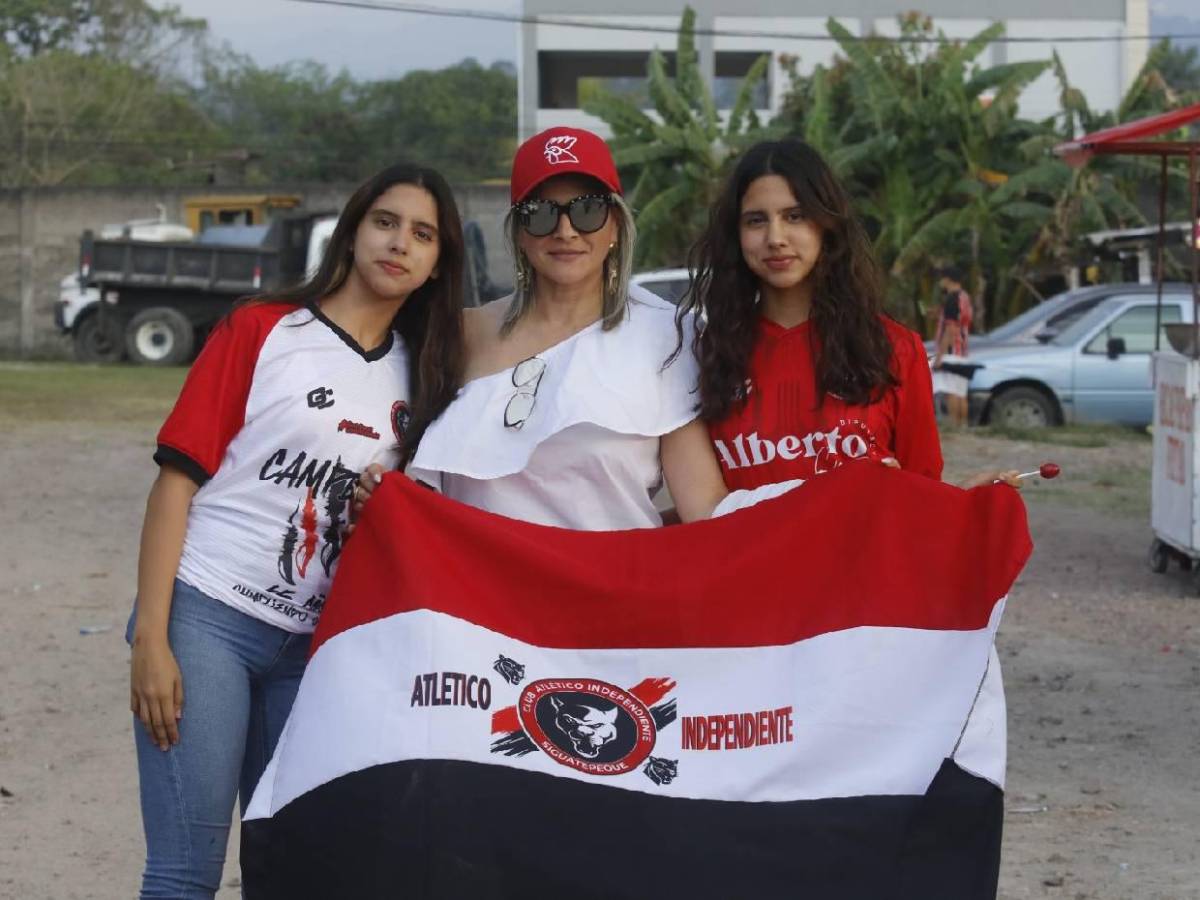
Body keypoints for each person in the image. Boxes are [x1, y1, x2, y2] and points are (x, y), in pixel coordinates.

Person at [126, 161, 465, 899]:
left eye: (422, 234)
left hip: (313, 652)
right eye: (385, 222)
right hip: (207, 617)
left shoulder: (425, 379)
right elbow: (175, 484)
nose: (399, 243)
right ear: (352, 232)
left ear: (439, 264)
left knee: (294, 870)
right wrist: (151, 637)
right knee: (186, 871)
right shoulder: (263, 328)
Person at [361, 126, 728, 531]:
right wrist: (381, 497)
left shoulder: (667, 337)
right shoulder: (463, 333)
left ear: (615, 226)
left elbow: (704, 508)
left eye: (587, 210)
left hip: (608, 585)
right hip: (471, 587)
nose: (566, 231)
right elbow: (421, 485)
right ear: (519, 233)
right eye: (541, 214)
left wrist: (801, 513)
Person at [933, 266, 975, 427]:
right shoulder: (965, 297)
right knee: (961, 392)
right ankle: (962, 425)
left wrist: (940, 356)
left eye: (942, 278)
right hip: (963, 350)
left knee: (951, 391)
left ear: (948, 279)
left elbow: (950, 330)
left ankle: (953, 424)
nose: (940, 282)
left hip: (951, 351)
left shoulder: (951, 299)